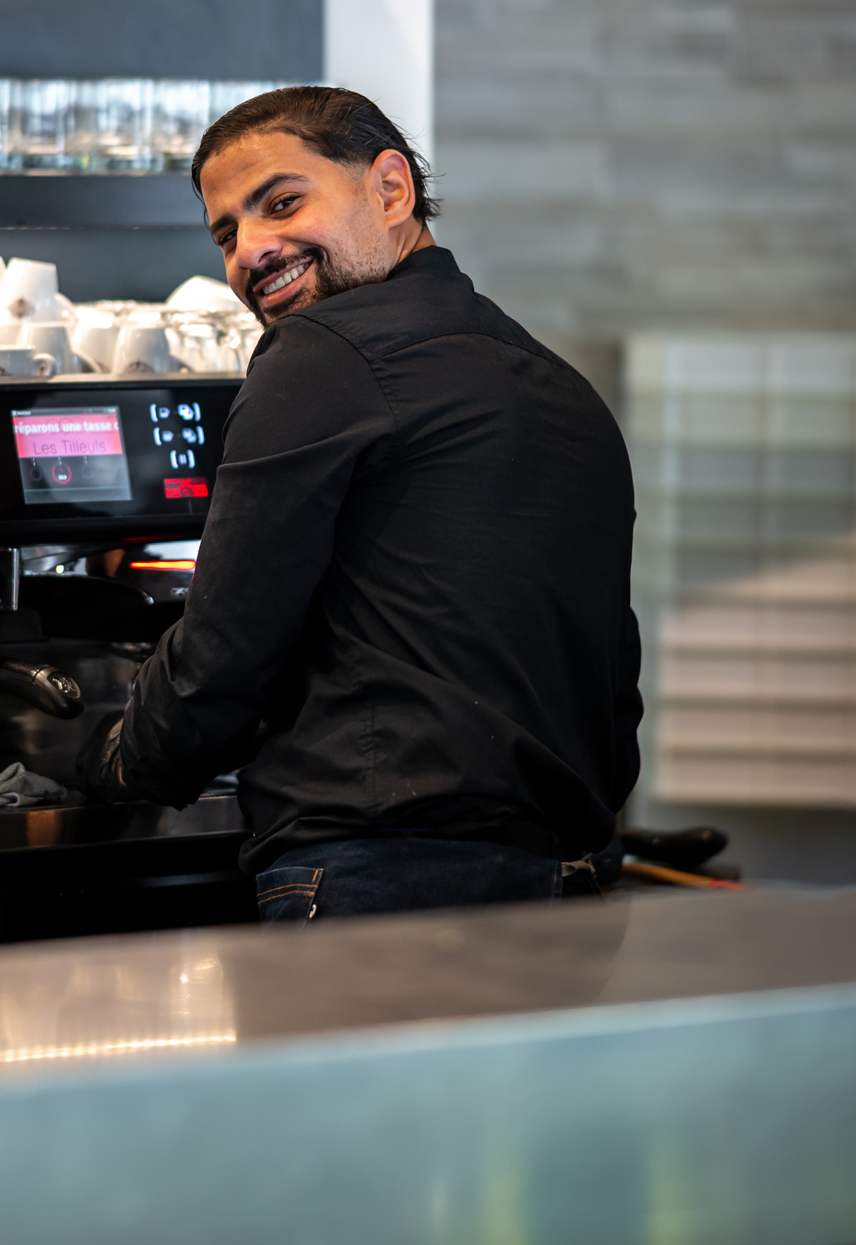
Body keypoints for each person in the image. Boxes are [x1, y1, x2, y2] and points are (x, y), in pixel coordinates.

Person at [78, 86, 642, 920]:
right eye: (226, 234)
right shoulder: (560, 386)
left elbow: (226, 644)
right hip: (567, 883)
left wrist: (119, 761)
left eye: (281, 203)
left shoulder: (318, 353)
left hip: (384, 878)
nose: (251, 251)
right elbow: (611, 678)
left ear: (390, 189)